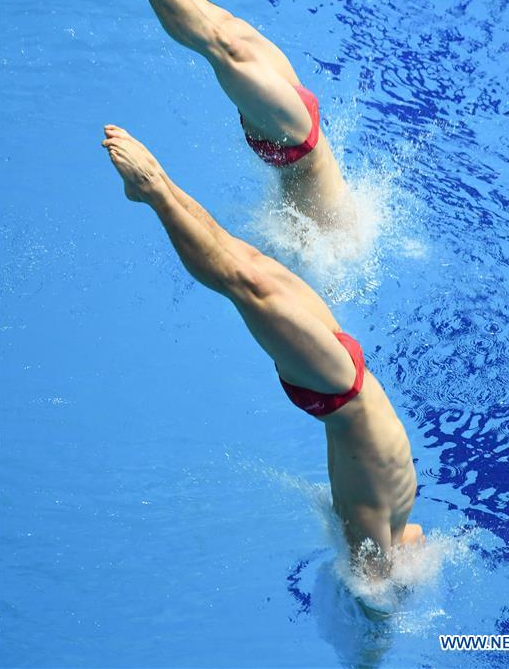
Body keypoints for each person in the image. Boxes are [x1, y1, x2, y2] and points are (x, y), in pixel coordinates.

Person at [101, 124, 423, 578]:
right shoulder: (372, 554)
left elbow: (410, 541)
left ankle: (156, 189)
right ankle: (157, 188)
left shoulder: (382, 529)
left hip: (342, 378)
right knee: (244, 268)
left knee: (245, 278)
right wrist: (374, 637)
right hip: (340, 383)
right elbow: (380, 586)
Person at [101, 0, 349, 226]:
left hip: (301, 119)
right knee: (222, 44)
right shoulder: (337, 254)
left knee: (225, 26)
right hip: (294, 143)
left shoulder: (353, 227)